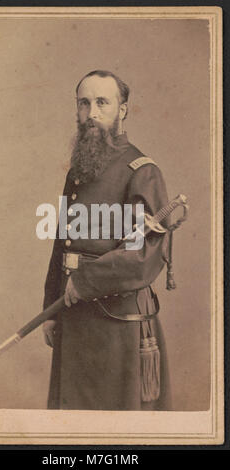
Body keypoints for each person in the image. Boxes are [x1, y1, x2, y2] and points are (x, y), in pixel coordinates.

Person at [42, 70, 172, 411]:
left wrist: (84, 280)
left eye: (103, 102)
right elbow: (63, 242)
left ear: (123, 110)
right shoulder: (79, 170)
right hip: (72, 316)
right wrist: (50, 310)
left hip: (117, 325)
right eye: (84, 103)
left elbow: (143, 255)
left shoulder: (142, 171)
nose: (92, 113)